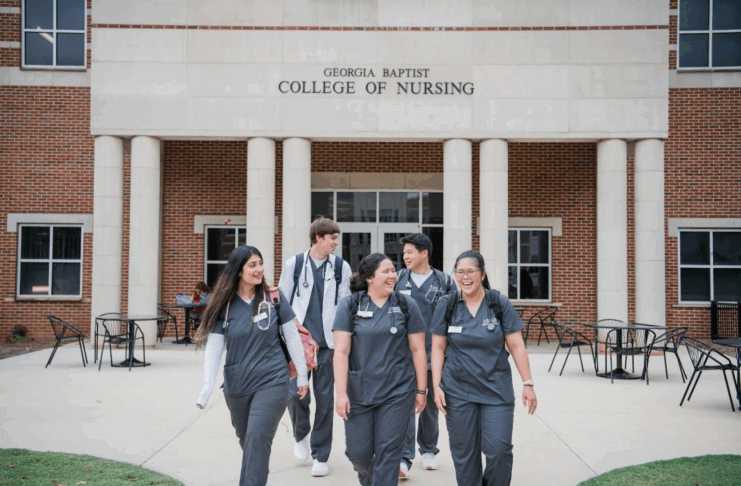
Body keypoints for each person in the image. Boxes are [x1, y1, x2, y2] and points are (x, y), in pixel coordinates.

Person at [194, 245, 309, 486]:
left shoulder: (273, 298)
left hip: (273, 379)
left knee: (257, 438)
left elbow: (292, 338)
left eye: (260, 263)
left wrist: (302, 377)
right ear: (238, 270)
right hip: (237, 385)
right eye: (252, 265)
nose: (260, 269)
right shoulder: (224, 306)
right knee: (248, 441)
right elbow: (214, 350)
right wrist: (206, 388)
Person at [430, 250, 537, 486]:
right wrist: (437, 385)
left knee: (499, 449)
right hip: (457, 390)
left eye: (470, 271)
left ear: (482, 274)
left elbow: (517, 345)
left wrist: (528, 383)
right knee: (464, 453)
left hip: (495, 389)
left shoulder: (498, 303)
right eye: (459, 272)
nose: (464, 277)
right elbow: (437, 348)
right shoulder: (448, 304)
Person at [333, 253, 429, 486]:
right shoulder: (351, 304)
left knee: (388, 453)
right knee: (359, 453)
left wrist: (421, 390)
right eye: (385, 271)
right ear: (368, 277)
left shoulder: (406, 305)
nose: (392, 275)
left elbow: (418, 350)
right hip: (360, 391)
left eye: (393, 271)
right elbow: (341, 351)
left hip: (397, 391)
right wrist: (341, 392)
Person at [278, 216, 352, 477]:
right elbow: (282, 303)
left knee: (324, 400)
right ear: (319, 238)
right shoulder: (295, 264)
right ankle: (301, 435)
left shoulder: (342, 267)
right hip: (299, 344)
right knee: (295, 395)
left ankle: (321, 454)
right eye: (332, 238)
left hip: (329, 345)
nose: (335, 243)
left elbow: (345, 306)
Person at [395, 233, 454, 478]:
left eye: (410, 252)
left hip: (434, 355)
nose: (405, 256)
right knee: (406, 405)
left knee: (430, 404)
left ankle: (428, 450)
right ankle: (404, 458)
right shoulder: (398, 278)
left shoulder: (445, 281)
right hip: (405, 355)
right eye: (405, 252)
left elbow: (453, 315)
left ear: (424, 253)